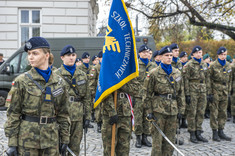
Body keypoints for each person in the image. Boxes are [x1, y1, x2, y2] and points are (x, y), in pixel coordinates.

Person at [4, 37, 70, 155]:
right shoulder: (22, 81)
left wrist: (65, 139)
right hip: (27, 141)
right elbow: (13, 114)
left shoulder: (59, 82)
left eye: (35, 53)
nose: (30, 57)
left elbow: (63, 114)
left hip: (51, 140)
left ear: (47, 55)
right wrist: (12, 143)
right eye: (29, 54)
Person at [144, 46, 185, 156]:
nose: (169, 58)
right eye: (166, 55)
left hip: (173, 110)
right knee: (157, 143)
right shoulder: (153, 73)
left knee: (170, 142)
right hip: (158, 110)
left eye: (171, 55)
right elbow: (147, 93)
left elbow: (181, 92)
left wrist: (181, 109)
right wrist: (149, 111)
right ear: (161, 57)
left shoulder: (177, 73)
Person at [55, 45, 91, 155]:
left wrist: (87, 116)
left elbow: (87, 97)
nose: (71, 57)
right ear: (62, 57)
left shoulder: (82, 75)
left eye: (73, 55)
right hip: (61, 117)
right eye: (68, 55)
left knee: (75, 147)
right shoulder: (56, 75)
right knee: (60, 147)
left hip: (78, 117)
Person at [101, 79, 140, 156]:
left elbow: (136, 90)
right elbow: (104, 93)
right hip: (110, 115)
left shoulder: (128, 71)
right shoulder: (109, 70)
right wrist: (112, 112)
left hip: (125, 113)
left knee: (124, 147)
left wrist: (120, 83)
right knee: (109, 147)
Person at [183, 45, 210, 143]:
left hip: (202, 90)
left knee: (201, 112)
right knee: (192, 113)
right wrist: (187, 94)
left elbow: (207, 78)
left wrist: (208, 91)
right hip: (193, 91)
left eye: (200, 52)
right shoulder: (189, 65)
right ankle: (192, 133)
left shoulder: (204, 64)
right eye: (197, 53)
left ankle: (199, 131)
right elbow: (185, 80)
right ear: (193, 54)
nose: (199, 54)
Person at [134, 44, 156, 148]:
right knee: (138, 118)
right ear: (139, 53)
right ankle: (138, 138)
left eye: (147, 52)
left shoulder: (153, 66)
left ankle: (145, 137)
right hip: (138, 96)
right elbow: (132, 82)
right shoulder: (136, 65)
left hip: (149, 97)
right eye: (144, 52)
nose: (146, 54)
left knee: (147, 117)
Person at [209, 47, 232, 141]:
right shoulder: (213, 65)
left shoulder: (228, 65)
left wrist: (229, 90)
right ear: (218, 55)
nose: (223, 56)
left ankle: (221, 131)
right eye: (221, 55)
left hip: (224, 91)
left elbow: (230, 79)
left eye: (225, 55)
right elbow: (209, 80)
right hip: (215, 91)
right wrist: (210, 93)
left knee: (223, 112)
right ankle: (214, 132)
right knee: (214, 112)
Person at [78, 52, 94, 128]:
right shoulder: (79, 68)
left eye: (88, 58)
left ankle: (88, 120)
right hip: (83, 89)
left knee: (89, 105)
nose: (87, 60)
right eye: (85, 58)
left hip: (90, 89)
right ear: (82, 59)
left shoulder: (91, 68)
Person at [89, 51, 103, 133]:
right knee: (98, 110)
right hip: (98, 91)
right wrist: (93, 93)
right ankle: (99, 124)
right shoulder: (96, 68)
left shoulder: (107, 67)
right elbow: (92, 82)